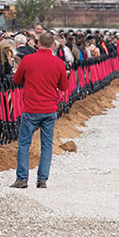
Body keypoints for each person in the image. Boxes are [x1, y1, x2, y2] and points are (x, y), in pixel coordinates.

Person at [11, 30, 70, 189]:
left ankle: (22, 177)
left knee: (24, 143)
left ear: (37, 44)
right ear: (53, 45)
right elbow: (63, 86)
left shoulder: (28, 60)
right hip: (49, 108)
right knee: (46, 144)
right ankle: (42, 179)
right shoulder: (58, 63)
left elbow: (17, 80)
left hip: (31, 107)